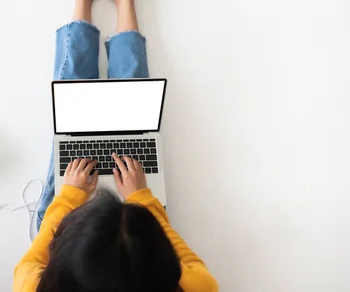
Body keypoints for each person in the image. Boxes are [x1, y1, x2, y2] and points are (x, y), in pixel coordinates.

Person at [14, 1, 218, 291]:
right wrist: (141, 197)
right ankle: (125, 5)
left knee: (74, 119)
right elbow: (197, 271)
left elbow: (26, 267)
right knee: (133, 115)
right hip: (126, 234)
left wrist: (70, 196)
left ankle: (83, 6)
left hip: (79, 214)